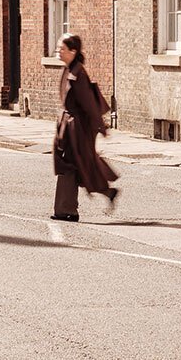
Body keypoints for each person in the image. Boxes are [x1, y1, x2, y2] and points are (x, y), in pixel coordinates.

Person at [52, 34, 119, 222]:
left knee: (70, 165)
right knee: (78, 166)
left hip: (77, 130)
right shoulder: (69, 69)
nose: (59, 51)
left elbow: (89, 104)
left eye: (62, 49)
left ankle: (66, 210)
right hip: (68, 127)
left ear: (73, 51)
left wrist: (102, 127)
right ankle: (105, 192)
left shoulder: (78, 74)